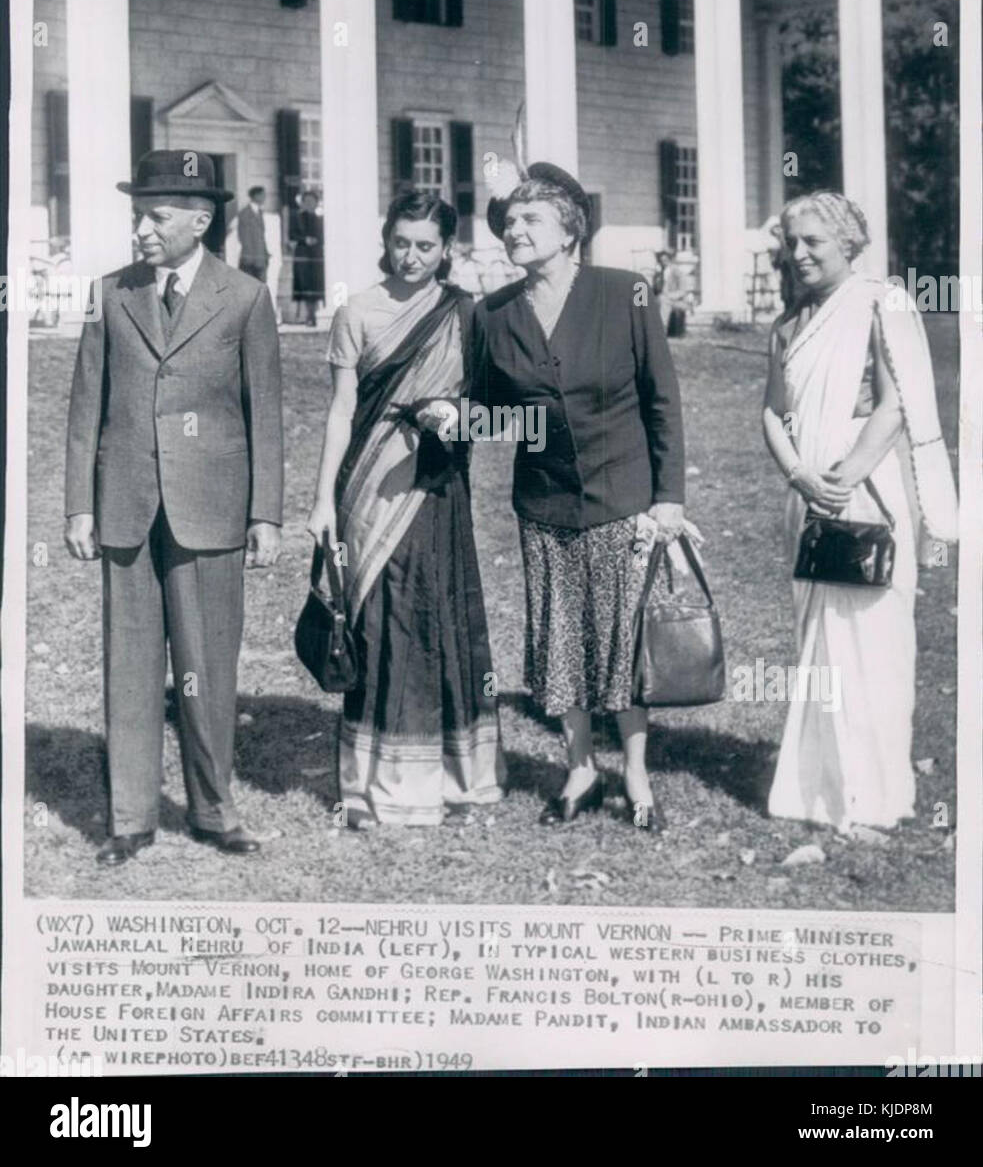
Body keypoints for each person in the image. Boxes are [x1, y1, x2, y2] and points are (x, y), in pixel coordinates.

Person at [64, 149, 284, 866]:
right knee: (129, 665)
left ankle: (214, 810)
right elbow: (83, 411)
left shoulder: (246, 297)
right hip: (126, 504)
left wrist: (266, 514)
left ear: (201, 219)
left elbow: (267, 415)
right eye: (138, 215)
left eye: (157, 216)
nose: (142, 230)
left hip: (212, 509)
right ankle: (130, 817)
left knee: (207, 668)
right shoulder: (109, 294)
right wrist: (78, 506)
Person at [473, 162, 686, 831]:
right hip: (544, 505)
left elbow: (661, 402)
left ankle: (638, 775)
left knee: (622, 645)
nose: (514, 229)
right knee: (559, 643)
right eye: (508, 221)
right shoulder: (493, 314)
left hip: (624, 498)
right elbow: (492, 413)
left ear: (571, 232)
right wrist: (458, 419)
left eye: (530, 219)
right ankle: (579, 768)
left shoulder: (625, 293)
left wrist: (669, 497)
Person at [307, 190, 506, 827]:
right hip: (367, 482)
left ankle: (452, 775)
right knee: (380, 617)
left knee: (436, 613)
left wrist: (456, 416)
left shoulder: (464, 313)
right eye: (402, 242)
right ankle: (372, 784)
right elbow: (341, 409)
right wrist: (321, 500)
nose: (412, 256)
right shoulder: (357, 311)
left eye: (426, 245)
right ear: (385, 239)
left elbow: (497, 410)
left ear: (447, 249)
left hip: (436, 484)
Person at [762, 191, 958, 833]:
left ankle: (873, 796)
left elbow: (896, 401)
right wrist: (800, 474)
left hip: (864, 493)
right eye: (791, 243)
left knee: (870, 641)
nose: (799, 254)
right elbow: (773, 410)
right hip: (808, 494)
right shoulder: (789, 322)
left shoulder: (882, 302)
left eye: (812, 241)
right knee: (816, 646)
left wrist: (844, 479)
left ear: (848, 242)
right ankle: (815, 792)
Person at [291, 188, 325, 326]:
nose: (310, 204)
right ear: (303, 203)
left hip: (317, 256)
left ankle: (314, 315)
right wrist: (305, 240)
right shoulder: (297, 218)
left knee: (316, 285)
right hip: (303, 254)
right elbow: (292, 235)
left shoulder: (321, 220)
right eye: (307, 201)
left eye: (313, 201)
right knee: (304, 285)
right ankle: (307, 316)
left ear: (317, 203)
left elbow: (325, 236)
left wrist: (318, 241)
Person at [236, 185, 269, 282]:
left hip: (260, 259)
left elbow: (261, 236)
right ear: (255, 196)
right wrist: (252, 259)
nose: (264, 198)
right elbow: (244, 238)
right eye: (262, 195)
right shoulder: (245, 213)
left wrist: (265, 254)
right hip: (250, 261)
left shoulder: (260, 212)